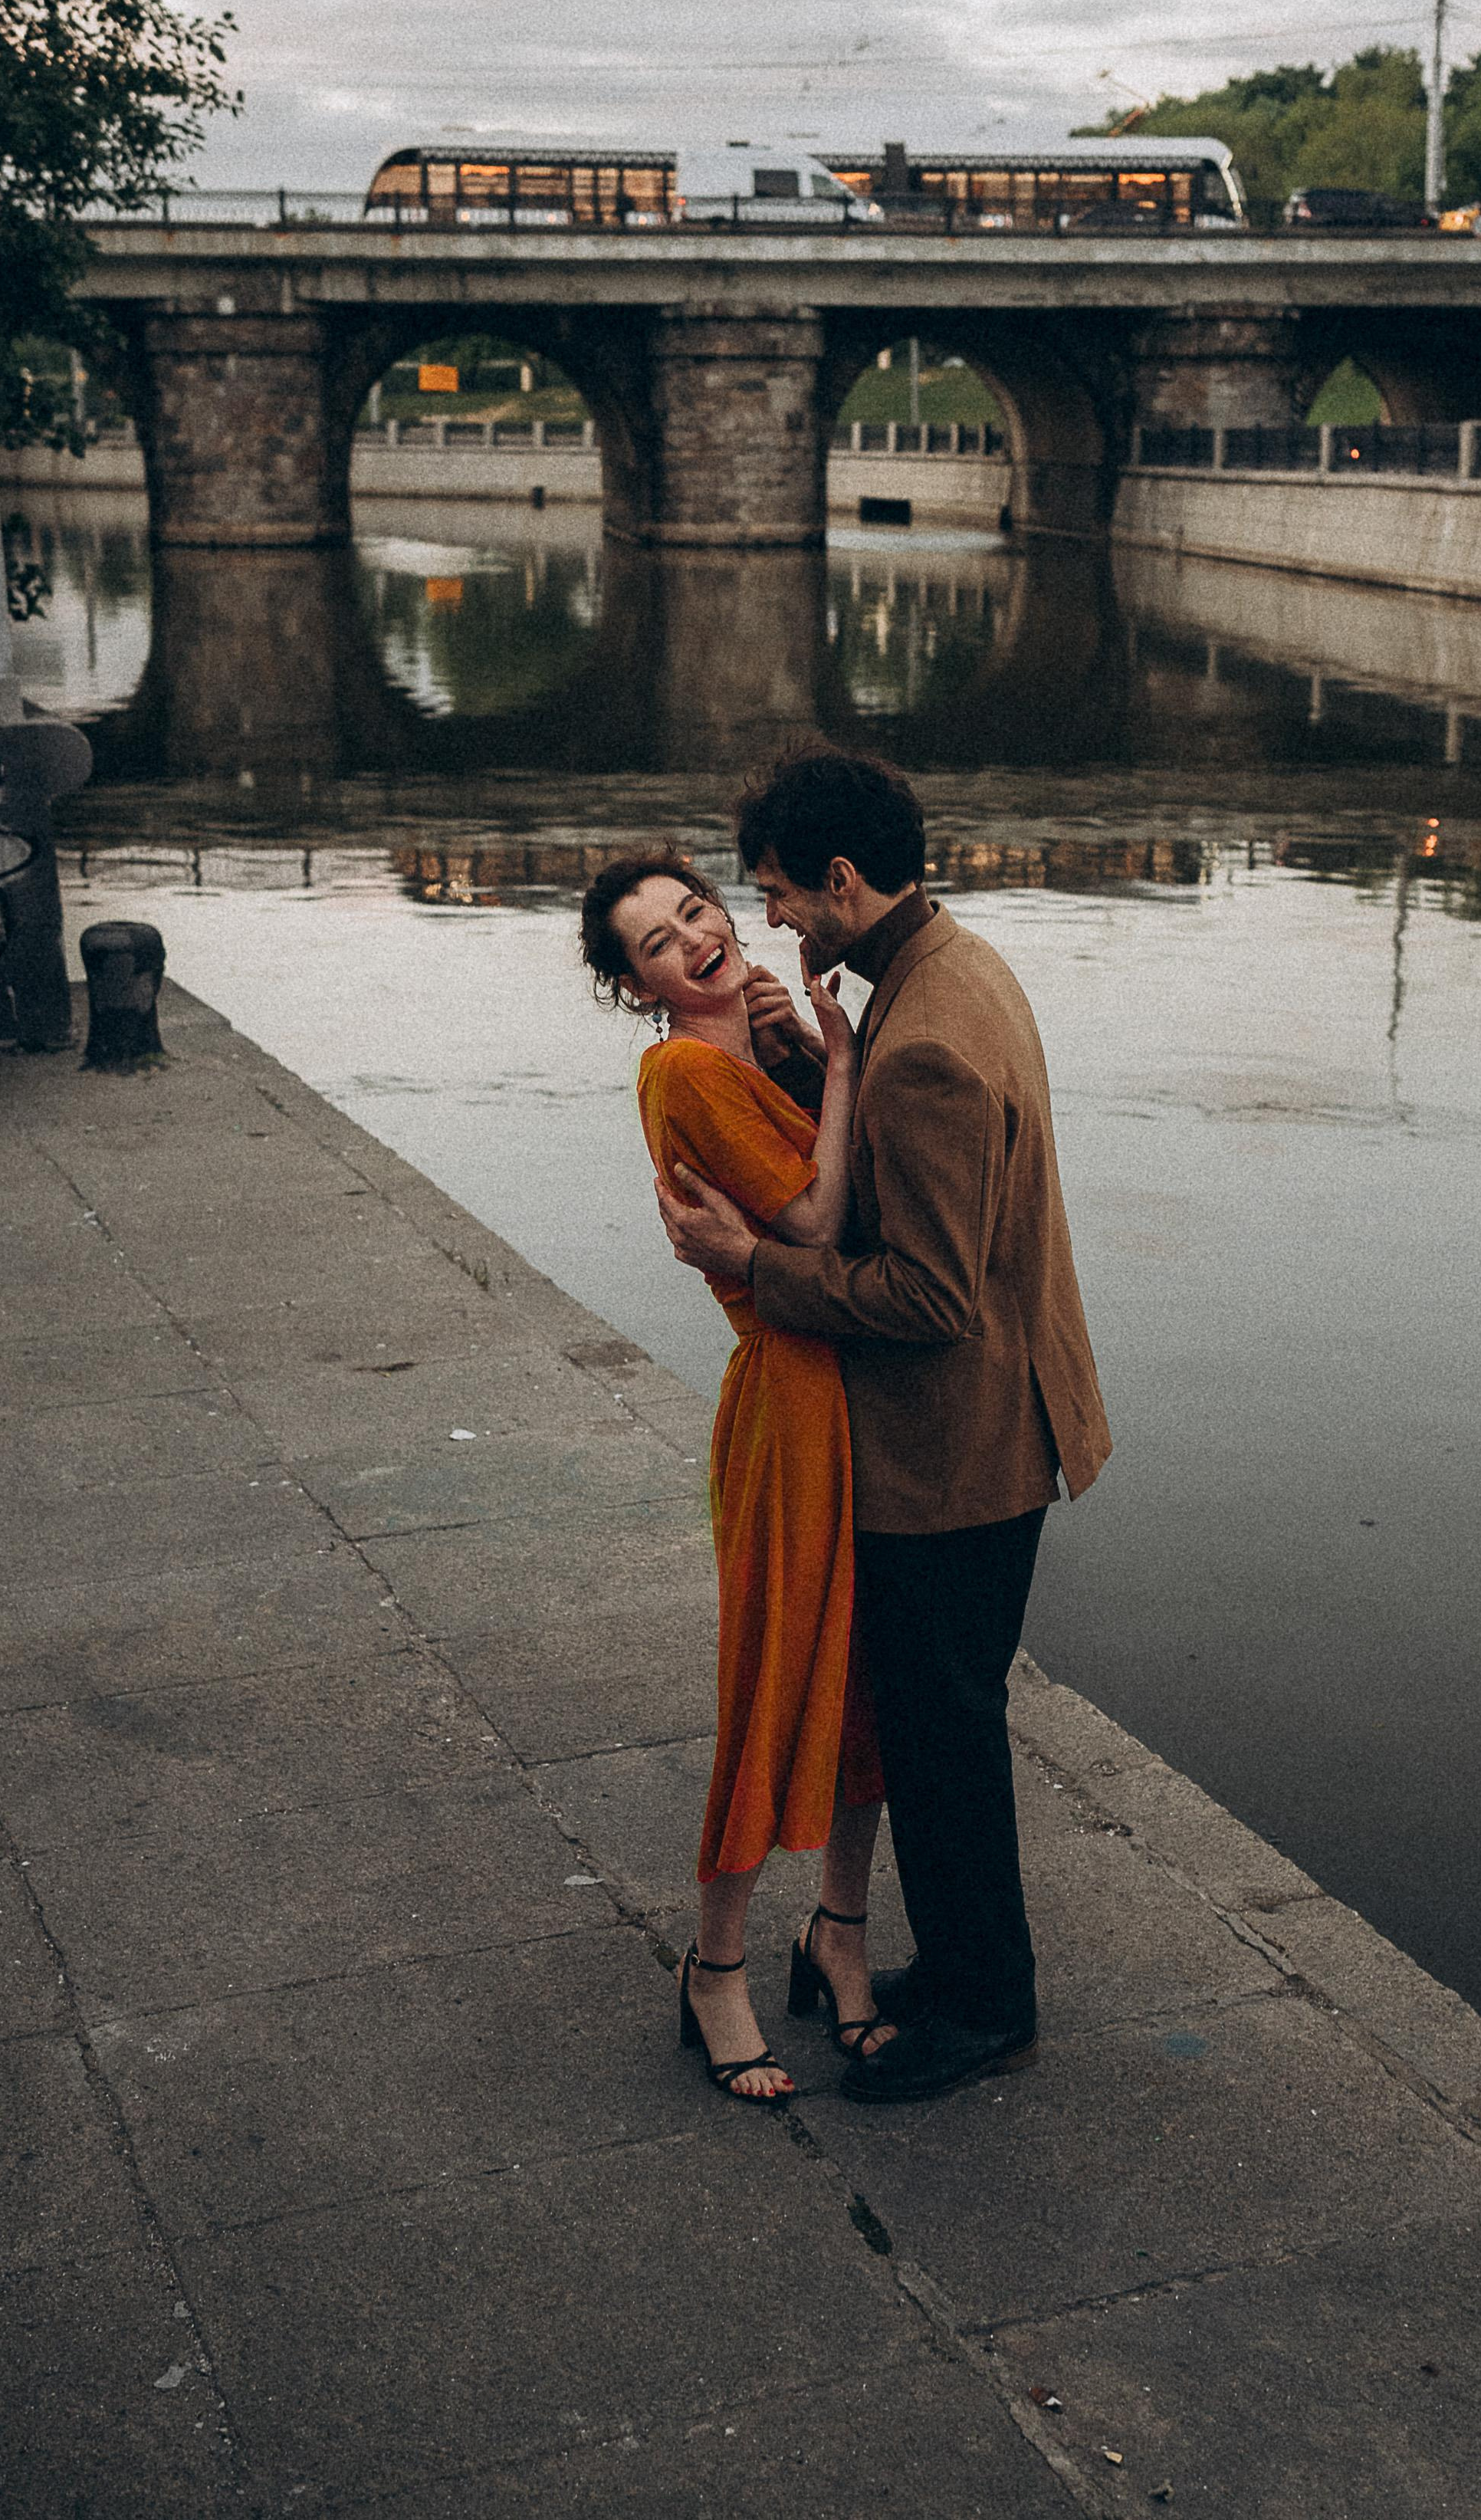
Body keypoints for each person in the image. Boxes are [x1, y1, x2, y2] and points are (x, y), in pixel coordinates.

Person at [654, 752, 1112, 2103]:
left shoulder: (919, 1048)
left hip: (955, 1450)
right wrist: (811, 1068)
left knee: (944, 1734)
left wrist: (752, 1258)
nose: (777, 923)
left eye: (786, 896)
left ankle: (983, 2007)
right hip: (1005, 1415)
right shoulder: (947, 970)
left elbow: (925, 1291)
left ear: (843, 880)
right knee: (945, 1724)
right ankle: (965, 1968)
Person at [580, 850, 890, 2105]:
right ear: (637, 985)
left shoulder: (756, 1052)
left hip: (863, 1396)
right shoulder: (682, 1074)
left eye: (695, 910)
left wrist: (808, 1057)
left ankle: (841, 1937)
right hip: (787, 1407)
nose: (694, 938)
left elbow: (846, 1199)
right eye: (657, 940)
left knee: (866, 1684)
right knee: (772, 1679)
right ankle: (713, 1968)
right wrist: (850, 1062)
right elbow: (817, 1228)